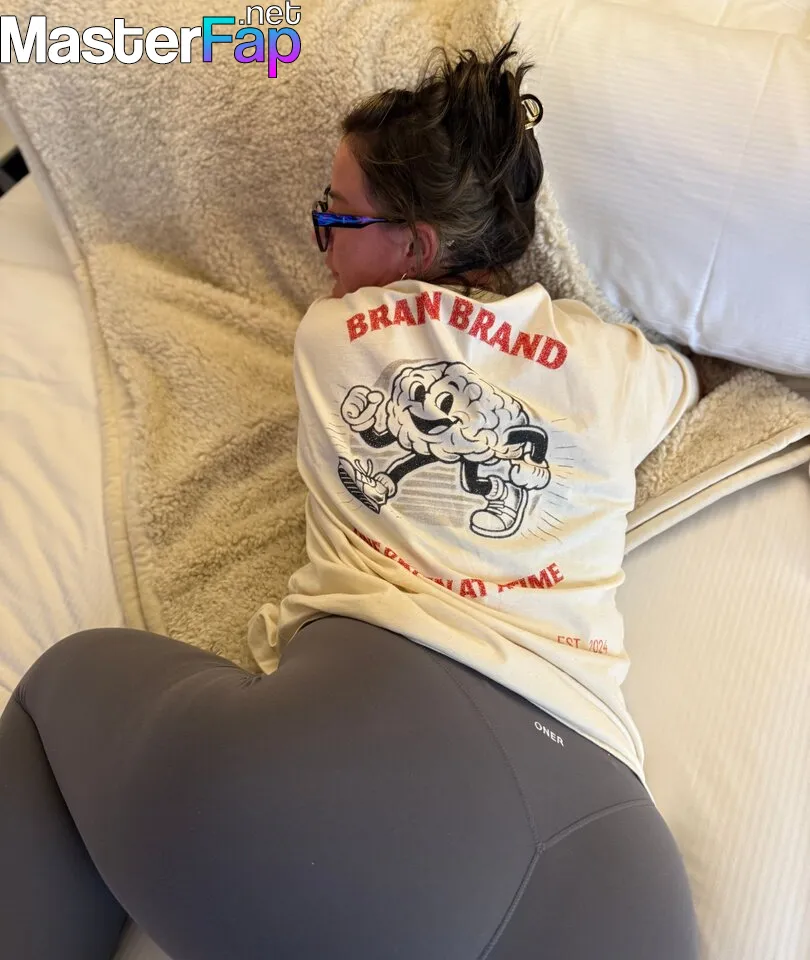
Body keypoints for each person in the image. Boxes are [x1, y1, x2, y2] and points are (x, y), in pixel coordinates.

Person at [0, 34, 700, 960]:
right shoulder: (615, 367)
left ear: (415, 245)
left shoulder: (333, 334)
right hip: (607, 838)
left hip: (351, 763)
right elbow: (684, 379)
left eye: (335, 219)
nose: (320, 241)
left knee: (56, 695)